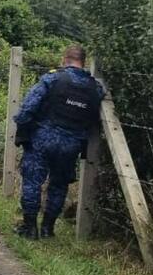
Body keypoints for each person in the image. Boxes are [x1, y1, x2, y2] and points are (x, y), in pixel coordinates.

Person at [12, 44, 104, 239]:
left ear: (65, 59)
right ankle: (47, 228)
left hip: (43, 138)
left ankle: (29, 227)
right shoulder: (94, 87)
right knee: (59, 185)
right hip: (72, 144)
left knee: (32, 182)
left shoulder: (53, 78)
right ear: (83, 62)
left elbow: (27, 109)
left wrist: (24, 128)